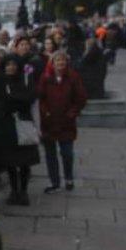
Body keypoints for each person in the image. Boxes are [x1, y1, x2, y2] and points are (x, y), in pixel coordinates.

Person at [0, 55, 41, 206]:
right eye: (7, 65)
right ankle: (14, 191)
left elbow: (31, 100)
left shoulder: (26, 80)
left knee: (24, 162)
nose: (10, 68)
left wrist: (38, 128)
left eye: (13, 64)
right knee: (10, 162)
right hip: (6, 126)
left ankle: (24, 191)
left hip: (23, 124)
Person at [37, 53, 88, 193]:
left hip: (66, 122)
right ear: (52, 62)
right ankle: (54, 182)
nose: (60, 62)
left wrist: (72, 113)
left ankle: (69, 178)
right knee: (50, 154)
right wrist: (45, 111)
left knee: (67, 153)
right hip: (49, 122)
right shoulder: (45, 77)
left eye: (63, 60)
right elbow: (41, 97)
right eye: (57, 60)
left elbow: (81, 98)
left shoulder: (73, 76)